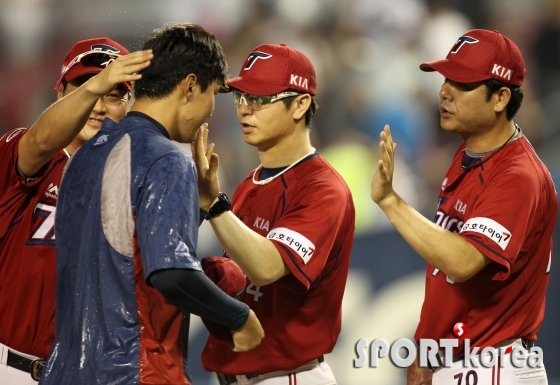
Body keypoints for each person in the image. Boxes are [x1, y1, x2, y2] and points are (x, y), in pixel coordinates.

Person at [38, 23, 264, 385]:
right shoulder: (166, 160)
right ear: (190, 86)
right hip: (138, 371)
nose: (210, 111)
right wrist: (238, 317)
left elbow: (121, 249)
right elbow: (170, 273)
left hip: (65, 371)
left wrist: (200, 208)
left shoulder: (83, 157)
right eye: (212, 94)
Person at [370, 29, 557, 384]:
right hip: (462, 364)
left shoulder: (519, 174)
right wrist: (426, 351)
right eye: (445, 79)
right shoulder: (470, 154)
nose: (444, 91)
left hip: (496, 365)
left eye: (463, 83)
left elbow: (463, 260)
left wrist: (391, 201)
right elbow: (447, 280)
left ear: (501, 97)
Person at [193, 43, 355, 385]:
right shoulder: (249, 185)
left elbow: (267, 268)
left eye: (261, 99)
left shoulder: (323, 188)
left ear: (300, 104)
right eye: (241, 97)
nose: (245, 110)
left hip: (286, 376)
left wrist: (214, 205)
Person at [0, 36, 152, 384]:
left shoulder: (135, 185)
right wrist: (102, 83)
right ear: (59, 95)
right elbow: (40, 141)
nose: (98, 106)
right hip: (10, 366)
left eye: (113, 94)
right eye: (85, 87)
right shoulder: (23, 152)